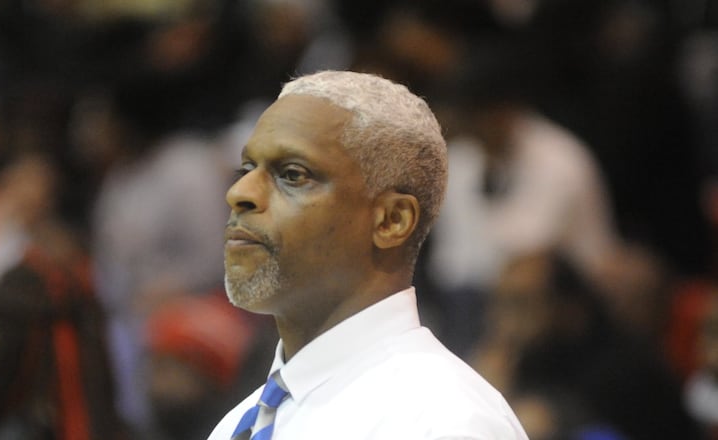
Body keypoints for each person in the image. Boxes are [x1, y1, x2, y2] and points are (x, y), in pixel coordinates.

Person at [207, 70, 527, 440]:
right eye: (246, 168)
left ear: (391, 220)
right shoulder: (237, 424)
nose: (240, 192)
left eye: (292, 174)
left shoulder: (445, 421)